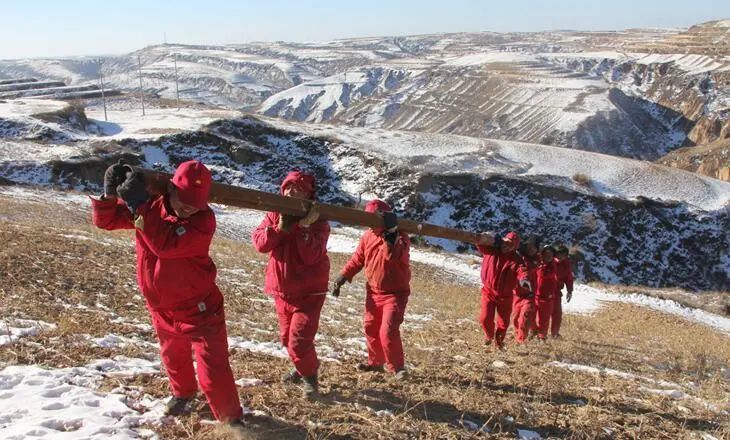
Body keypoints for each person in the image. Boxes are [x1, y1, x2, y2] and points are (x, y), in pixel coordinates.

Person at [91, 160, 243, 424]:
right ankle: (183, 394)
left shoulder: (203, 222)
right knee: (173, 356)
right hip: (162, 305)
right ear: (170, 189)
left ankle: (232, 422)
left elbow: (165, 245)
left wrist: (138, 206)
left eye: (196, 203)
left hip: (200, 308)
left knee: (213, 370)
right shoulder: (152, 208)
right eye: (184, 200)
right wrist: (109, 195)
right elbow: (107, 222)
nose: (189, 208)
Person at [251, 171, 330, 398]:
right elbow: (260, 243)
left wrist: (303, 229)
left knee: (299, 341)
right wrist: (279, 229)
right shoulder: (275, 213)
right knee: (288, 339)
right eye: (288, 187)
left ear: (309, 194)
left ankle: (310, 380)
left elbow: (313, 255)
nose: (291, 192)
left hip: (309, 293)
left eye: (299, 188)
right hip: (282, 290)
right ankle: (302, 367)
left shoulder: (319, 220)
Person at [331, 200, 410, 379]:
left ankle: (397, 368)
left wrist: (391, 235)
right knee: (371, 327)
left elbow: (394, 256)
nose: (371, 224)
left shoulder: (401, 236)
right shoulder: (367, 236)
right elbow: (358, 259)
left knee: (388, 330)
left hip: (395, 294)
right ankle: (375, 363)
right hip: (373, 292)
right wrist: (343, 276)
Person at [476, 231, 529, 350]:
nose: (506, 246)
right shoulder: (491, 250)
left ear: (514, 247)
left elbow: (522, 270)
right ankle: (489, 336)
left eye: (510, 245)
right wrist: (487, 237)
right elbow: (480, 244)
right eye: (505, 243)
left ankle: (499, 342)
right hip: (488, 292)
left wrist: (524, 279)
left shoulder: (516, 259)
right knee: (485, 318)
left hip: (505, 296)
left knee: (503, 323)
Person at [512, 236, 539, 344]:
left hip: (530, 294)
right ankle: (529, 331)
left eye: (534, 247)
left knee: (525, 316)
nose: (531, 249)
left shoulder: (537, 260)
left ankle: (521, 340)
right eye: (529, 246)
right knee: (515, 318)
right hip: (517, 293)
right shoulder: (519, 257)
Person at [534, 245, 558, 341]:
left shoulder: (552, 266)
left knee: (543, 320)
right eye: (546, 254)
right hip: (534, 295)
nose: (548, 256)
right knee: (530, 317)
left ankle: (542, 337)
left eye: (550, 254)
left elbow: (544, 274)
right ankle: (535, 331)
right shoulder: (537, 263)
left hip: (547, 297)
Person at [552, 245, 574, 338]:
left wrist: (569, 291)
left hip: (556, 292)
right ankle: (537, 332)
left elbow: (568, 278)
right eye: (559, 254)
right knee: (540, 314)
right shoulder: (548, 260)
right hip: (543, 291)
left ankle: (555, 333)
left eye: (563, 255)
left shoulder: (566, 264)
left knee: (557, 314)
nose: (560, 256)